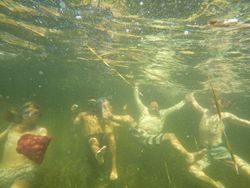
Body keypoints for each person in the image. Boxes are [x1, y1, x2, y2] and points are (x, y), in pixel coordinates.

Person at [187, 93, 250, 188]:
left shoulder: (225, 115)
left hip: (219, 150)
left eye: (216, 104)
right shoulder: (205, 112)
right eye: (212, 103)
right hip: (205, 152)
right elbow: (196, 105)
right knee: (192, 169)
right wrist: (192, 96)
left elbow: (242, 122)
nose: (213, 106)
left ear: (222, 105)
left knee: (244, 168)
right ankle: (217, 185)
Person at [0, 101, 50, 188]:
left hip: (24, 172)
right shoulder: (12, 126)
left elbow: (42, 144)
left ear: (39, 116)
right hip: (2, 171)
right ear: (21, 114)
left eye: (35, 113)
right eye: (27, 112)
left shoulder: (40, 130)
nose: (30, 115)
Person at [72, 98, 118, 180]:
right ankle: (98, 154)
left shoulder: (99, 114)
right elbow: (75, 123)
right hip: (91, 135)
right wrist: (74, 112)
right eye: (90, 103)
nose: (91, 105)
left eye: (93, 103)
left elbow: (110, 118)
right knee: (93, 142)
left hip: (102, 135)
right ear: (87, 105)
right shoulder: (82, 114)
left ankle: (101, 161)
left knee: (107, 154)